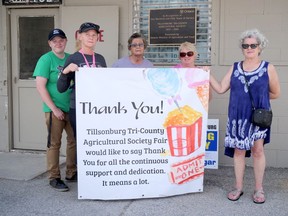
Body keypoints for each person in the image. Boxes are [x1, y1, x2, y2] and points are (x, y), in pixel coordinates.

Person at [209, 29, 280, 204]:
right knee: (239, 151)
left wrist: (260, 99)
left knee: (258, 151)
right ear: (242, 48)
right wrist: (207, 74)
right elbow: (219, 89)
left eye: (253, 45)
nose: (249, 48)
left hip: (257, 117)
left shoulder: (268, 67)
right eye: (245, 45)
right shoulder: (234, 67)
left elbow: (276, 93)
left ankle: (259, 188)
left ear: (259, 47)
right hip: (237, 117)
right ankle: (238, 187)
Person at [33, 28, 77, 192]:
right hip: (54, 110)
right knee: (54, 143)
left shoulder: (71, 58)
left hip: (71, 108)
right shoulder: (46, 60)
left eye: (61, 40)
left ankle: (71, 172)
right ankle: (54, 177)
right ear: (49, 43)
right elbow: (40, 86)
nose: (58, 43)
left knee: (74, 141)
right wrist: (54, 109)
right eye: (54, 40)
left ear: (66, 41)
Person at [57, 22, 107, 139]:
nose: (91, 37)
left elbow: (104, 84)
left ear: (97, 38)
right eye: (87, 34)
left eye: (94, 35)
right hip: (79, 108)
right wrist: (65, 71)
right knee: (81, 142)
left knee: (96, 140)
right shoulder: (73, 58)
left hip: (97, 108)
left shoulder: (100, 59)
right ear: (80, 36)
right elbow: (61, 88)